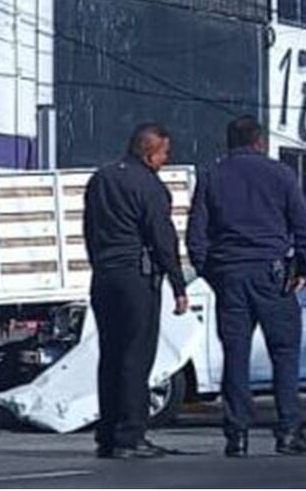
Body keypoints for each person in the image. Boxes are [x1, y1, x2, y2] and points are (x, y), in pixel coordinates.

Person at [186, 115, 306, 457]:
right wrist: (304, 267)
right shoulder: (281, 174)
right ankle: (289, 431)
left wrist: (211, 273)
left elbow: (196, 235)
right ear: (259, 141)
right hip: (273, 275)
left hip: (230, 274)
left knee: (236, 355)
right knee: (285, 354)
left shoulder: (211, 176)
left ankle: (237, 435)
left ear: (229, 142)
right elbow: (303, 226)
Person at [83, 123, 190, 460]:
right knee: (135, 357)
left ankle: (107, 434)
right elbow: (162, 239)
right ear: (149, 152)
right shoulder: (150, 187)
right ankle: (130, 437)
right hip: (137, 279)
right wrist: (178, 284)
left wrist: (99, 264)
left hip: (104, 277)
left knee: (110, 356)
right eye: (163, 154)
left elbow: (88, 229)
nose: (164, 160)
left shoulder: (100, 179)